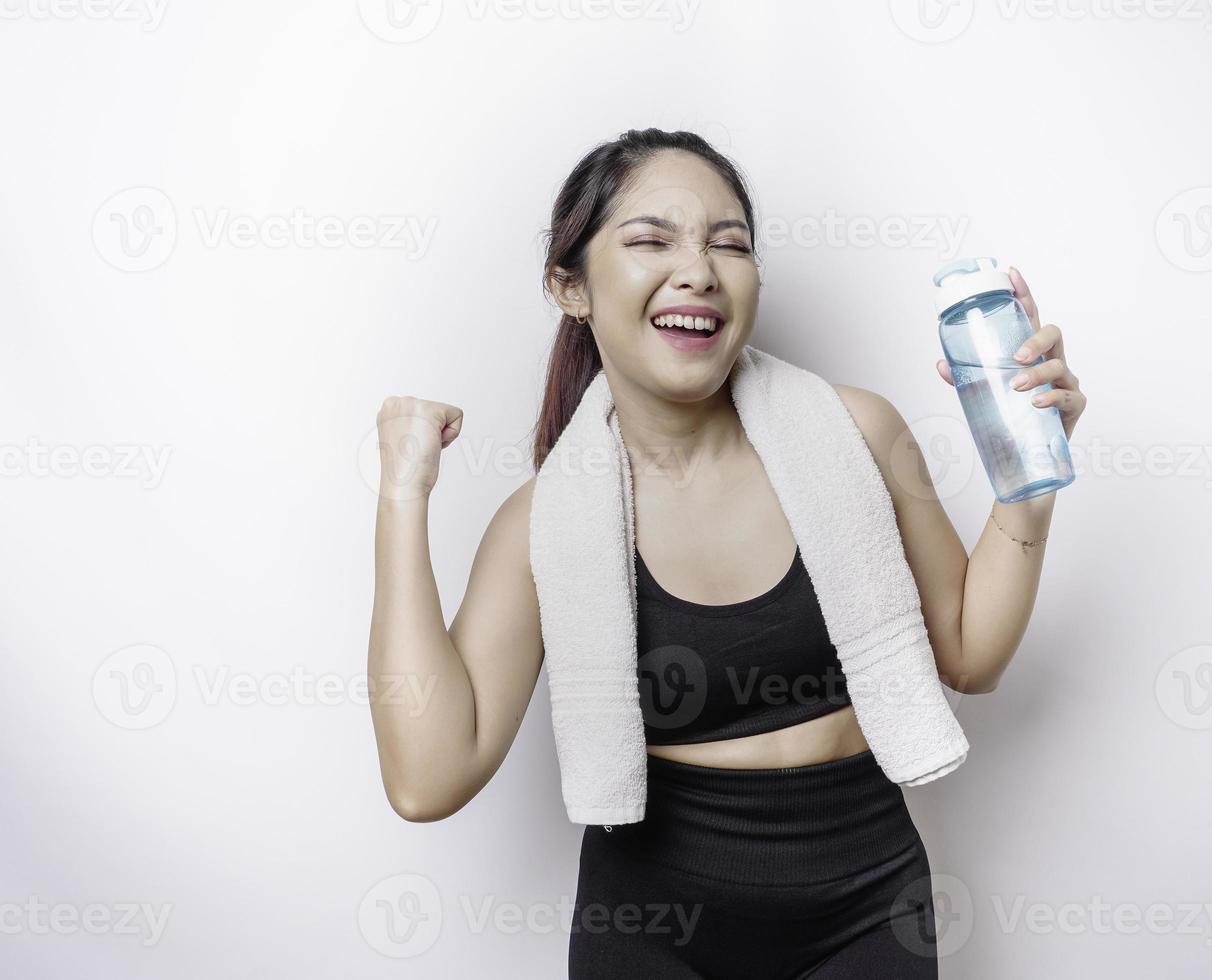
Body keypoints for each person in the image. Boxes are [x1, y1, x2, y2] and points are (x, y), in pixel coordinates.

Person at [367, 127, 1087, 978]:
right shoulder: (540, 526)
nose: (699, 270)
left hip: (869, 904)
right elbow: (427, 780)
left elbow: (970, 656)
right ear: (571, 287)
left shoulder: (860, 432)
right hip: (651, 924)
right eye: (649, 240)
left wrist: (1027, 481)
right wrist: (402, 497)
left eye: (729, 244)